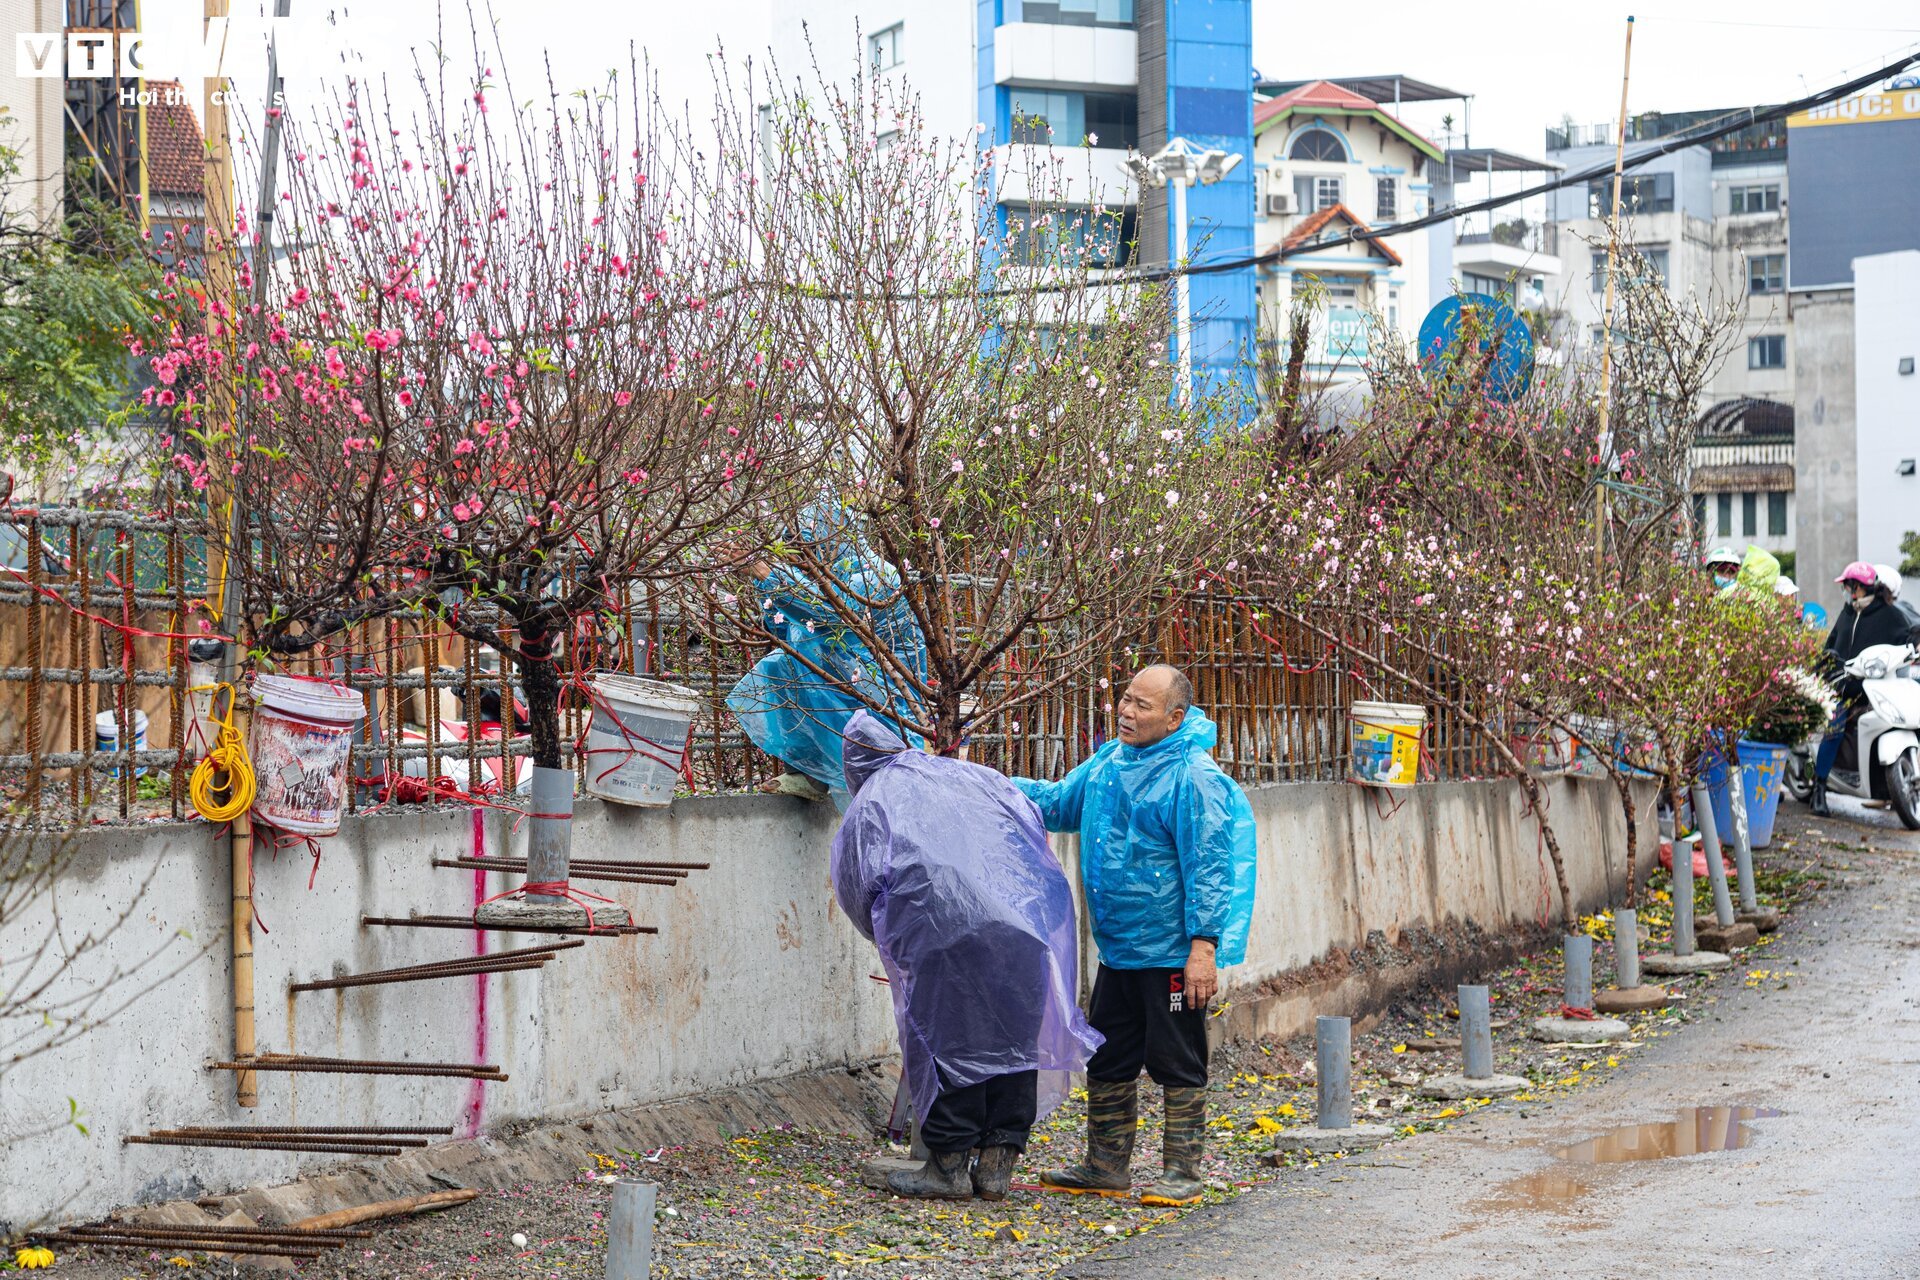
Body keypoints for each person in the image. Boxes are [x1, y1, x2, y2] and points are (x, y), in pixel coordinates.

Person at [831, 711, 1101, 1201]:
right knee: (1014, 1043)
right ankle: (998, 1166)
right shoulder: (965, 774)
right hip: (1025, 926)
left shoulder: (872, 801)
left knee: (949, 1045)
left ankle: (948, 1168)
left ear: (853, 764)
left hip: (942, 937)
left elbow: (857, 885)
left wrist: (891, 942)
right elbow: (1027, 823)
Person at [1012, 665, 1257, 1207]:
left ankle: (1182, 1173)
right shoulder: (1108, 763)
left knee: (1177, 1057)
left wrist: (1203, 947)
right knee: (1109, 1054)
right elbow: (1057, 804)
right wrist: (988, 786)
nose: (1126, 711)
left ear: (1174, 717)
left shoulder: (1194, 777)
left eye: (1142, 706)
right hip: (1120, 949)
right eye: (1125, 700)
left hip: (1171, 951)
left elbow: (1210, 866)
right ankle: (1105, 1165)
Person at [725, 501, 928, 807]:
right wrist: (766, 589)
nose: (801, 558)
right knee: (783, 665)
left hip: (887, 703)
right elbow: (785, 629)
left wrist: (771, 578)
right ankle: (810, 773)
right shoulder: (817, 579)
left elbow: (827, 612)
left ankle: (822, 772)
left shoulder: (877, 577)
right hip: (851, 690)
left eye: (807, 546)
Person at [1812, 561, 1914, 813]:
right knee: (1834, 725)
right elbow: (1830, 647)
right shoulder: (1848, 613)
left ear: (1858, 586)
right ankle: (1819, 787)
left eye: (1849, 586)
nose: (1847, 591)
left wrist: (1915, 643)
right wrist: (1829, 663)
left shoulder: (1889, 614)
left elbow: (1909, 632)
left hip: (1878, 688)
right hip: (1846, 690)